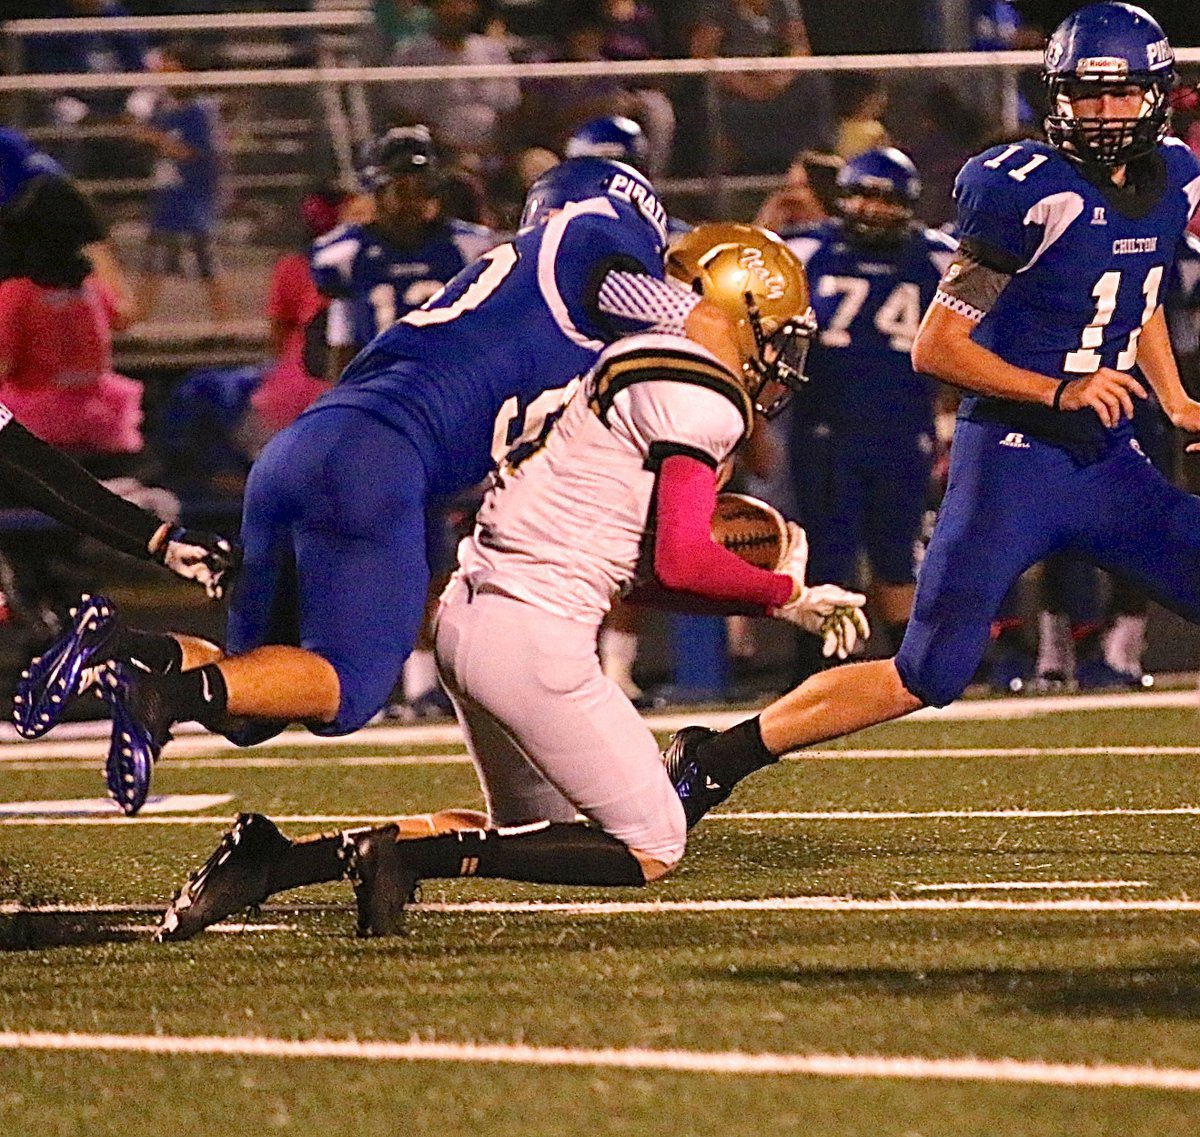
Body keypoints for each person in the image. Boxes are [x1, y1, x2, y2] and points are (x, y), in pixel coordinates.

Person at [154, 224, 867, 941]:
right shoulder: (698, 390)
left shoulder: (610, 366)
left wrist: (760, 587)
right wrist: (787, 596)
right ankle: (388, 858)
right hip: (533, 640)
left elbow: (639, 575)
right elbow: (682, 559)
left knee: (530, 832)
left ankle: (272, 863)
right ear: (725, 308)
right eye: (771, 332)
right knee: (655, 841)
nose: (778, 358)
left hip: (474, 619)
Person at [19, 157, 745, 815]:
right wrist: (725, 409)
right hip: (377, 460)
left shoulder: (516, 287)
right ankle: (164, 694)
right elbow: (698, 317)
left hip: (306, 449)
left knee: (251, 708)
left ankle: (131, 649)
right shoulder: (589, 245)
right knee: (347, 690)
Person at [662, 2, 1200, 827]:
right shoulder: (1027, 189)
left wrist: (1172, 396)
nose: (1098, 113)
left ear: (1156, 94)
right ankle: (718, 755)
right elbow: (937, 347)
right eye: (1082, 96)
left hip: (1104, 459)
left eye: (1118, 94)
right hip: (1014, 460)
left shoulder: (1172, 177)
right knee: (928, 671)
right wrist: (1059, 388)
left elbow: (1142, 288)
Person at [778, 148, 957, 679]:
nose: (872, 208)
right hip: (825, 424)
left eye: (886, 198)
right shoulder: (807, 247)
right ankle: (818, 668)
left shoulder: (940, 257)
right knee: (826, 553)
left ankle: (914, 668)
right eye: (862, 194)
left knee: (896, 552)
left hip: (904, 424)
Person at [308, 125, 496, 384]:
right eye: (402, 190)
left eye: (421, 189)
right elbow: (343, 336)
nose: (413, 200)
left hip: (448, 385)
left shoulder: (470, 247)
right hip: (378, 388)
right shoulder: (346, 254)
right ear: (378, 192)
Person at [129, 42, 230, 323]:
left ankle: (224, 324)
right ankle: (137, 322)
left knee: (207, 262)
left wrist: (156, 139)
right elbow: (141, 130)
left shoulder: (200, 111)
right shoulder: (164, 108)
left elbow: (197, 152)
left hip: (193, 197)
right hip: (168, 196)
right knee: (153, 263)